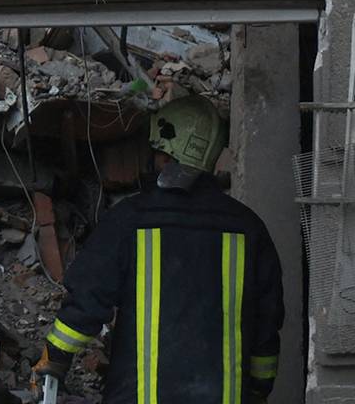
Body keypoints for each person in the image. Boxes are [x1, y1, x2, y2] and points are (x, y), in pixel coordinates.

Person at [33, 94, 283, 404]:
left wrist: (54, 357)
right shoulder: (249, 229)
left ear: (165, 155)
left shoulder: (129, 221)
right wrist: (258, 389)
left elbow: (87, 300)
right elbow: (266, 325)